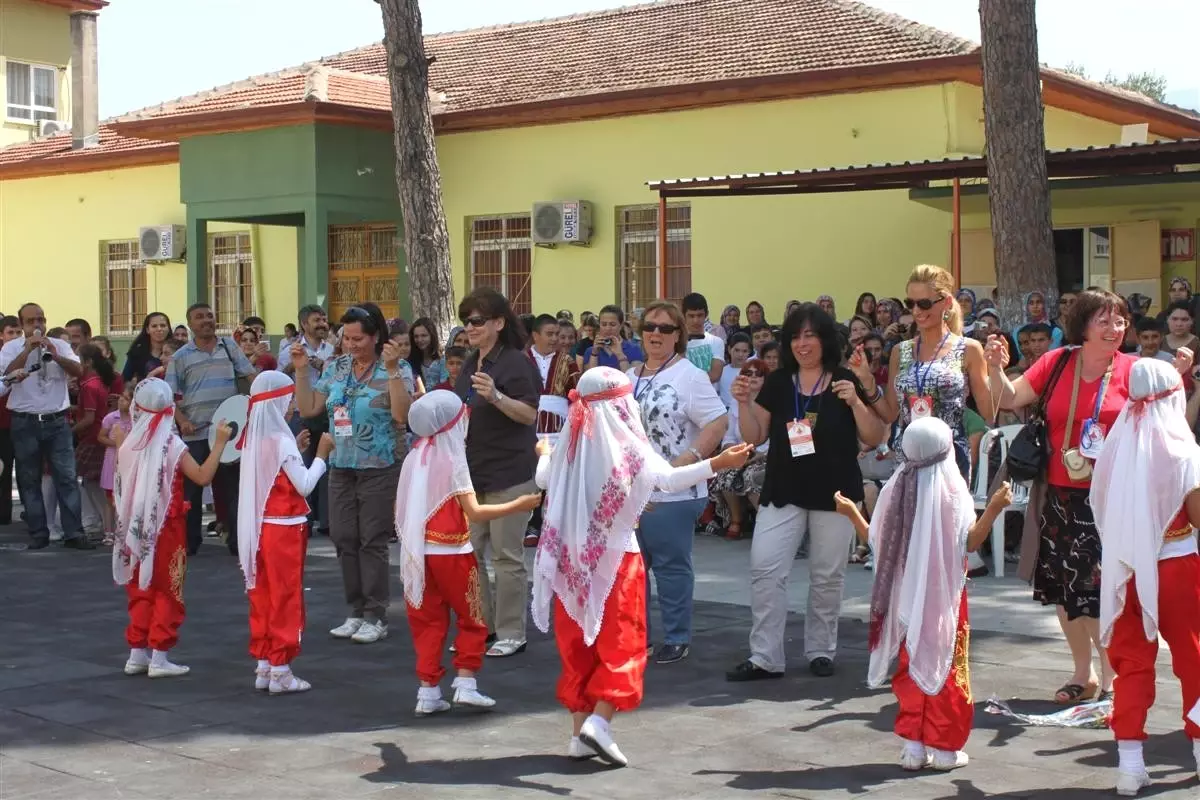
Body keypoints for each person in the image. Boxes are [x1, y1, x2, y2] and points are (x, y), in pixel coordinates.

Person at [532, 367, 752, 765]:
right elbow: (668, 480)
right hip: (617, 559)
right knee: (622, 643)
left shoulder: (569, 442)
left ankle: (579, 734)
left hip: (572, 561)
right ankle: (599, 723)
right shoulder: (628, 445)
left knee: (579, 646)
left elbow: (543, 477)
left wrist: (544, 453)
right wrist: (717, 463)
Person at [985, 290, 1193, 705]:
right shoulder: (1057, 361)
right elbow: (1007, 400)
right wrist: (994, 368)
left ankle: (1114, 674)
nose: (1115, 329)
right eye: (1104, 320)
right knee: (1064, 588)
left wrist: (1179, 380)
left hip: (1116, 497)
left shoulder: (1137, 369)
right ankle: (1084, 672)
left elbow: (1171, 426)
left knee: (1104, 589)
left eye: (1119, 321)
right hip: (1061, 492)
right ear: (1083, 325)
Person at [833, 417, 1013, 772]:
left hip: (904, 597)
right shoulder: (952, 489)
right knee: (946, 666)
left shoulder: (894, 487)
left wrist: (854, 513)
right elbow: (971, 542)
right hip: (945, 600)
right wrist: (994, 507)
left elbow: (877, 542)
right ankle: (945, 748)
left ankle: (914, 746)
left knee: (910, 663)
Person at [726, 303, 886, 681]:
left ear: (825, 339)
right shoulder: (780, 382)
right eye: (796, 336)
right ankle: (765, 656)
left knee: (828, 576)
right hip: (784, 487)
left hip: (836, 493)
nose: (802, 343)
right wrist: (743, 403)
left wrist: (856, 401)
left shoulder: (846, 378)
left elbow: (874, 435)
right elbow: (754, 436)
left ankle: (820, 650)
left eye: (810, 334)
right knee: (765, 568)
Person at [1090, 358, 1200, 796]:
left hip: (1124, 569)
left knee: (1131, 666)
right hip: (1176, 566)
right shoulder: (1184, 451)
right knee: (1194, 660)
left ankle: (1130, 766)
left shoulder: (1115, 448)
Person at [395, 391, 542, 715]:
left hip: (420, 553)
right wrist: (518, 504)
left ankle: (428, 690)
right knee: (473, 617)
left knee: (428, 622)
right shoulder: (453, 460)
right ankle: (465, 681)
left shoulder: (414, 457)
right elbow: (475, 512)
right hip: (453, 552)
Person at [293, 303, 413, 645]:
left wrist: (390, 371)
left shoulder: (398, 368)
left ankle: (376, 614)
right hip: (341, 465)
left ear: (376, 338)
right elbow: (309, 409)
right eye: (346, 337)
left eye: (358, 338)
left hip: (379, 465)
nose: (351, 344)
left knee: (372, 539)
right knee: (344, 538)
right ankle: (356, 610)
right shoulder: (336, 367)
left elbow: (402, 415)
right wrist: (302, 371)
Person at [629, 301, 728, 664]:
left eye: (665, 329)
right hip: (633, 493)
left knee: (671, 568)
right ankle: (637, 637)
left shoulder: (689, 375)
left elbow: (717, 422)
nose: (656, 334)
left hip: (675, 491)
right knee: (632, 570)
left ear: (678, 336)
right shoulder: (629, 376)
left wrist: (686, 461)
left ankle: (676, 637)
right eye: (650, 327)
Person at [113, 379, 231, 678]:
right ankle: (160, 655)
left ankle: (137, 652)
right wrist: (218, 444)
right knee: (168, 588)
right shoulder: (172, 444)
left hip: (136, 527)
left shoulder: (128, 441)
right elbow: (202, 476)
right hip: (167, 526)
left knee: (140, 585)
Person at [454, 288, 542, 658]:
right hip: (473, 473)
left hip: (511, 472)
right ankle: (481, 627)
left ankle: (510, 632)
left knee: (507, 556)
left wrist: (496, 397)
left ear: (498, 323)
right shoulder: (471, 362)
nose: (470, 328)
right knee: (468, 554)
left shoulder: (516, 363)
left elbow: (529, 414)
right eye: (467, 321)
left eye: (477, 320)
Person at [237, 371, 334, 695]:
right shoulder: (280, 441)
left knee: (263, 593)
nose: (292, 404)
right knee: (286, 595)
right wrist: (321, 456)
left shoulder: (256, 438)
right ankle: (281, 668)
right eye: (289, 397)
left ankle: (265, 663)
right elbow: (304, 484)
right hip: (284, 527)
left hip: (260, 526)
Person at [0, 303, 94, 550]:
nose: (37, 325)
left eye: (40, 319)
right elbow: (5, 375)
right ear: (21, 325)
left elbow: (79, 371)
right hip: (24, 421)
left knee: (67, 477)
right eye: (31, 321)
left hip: (56, 420)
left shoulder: (60, 345)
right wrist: (27, 350)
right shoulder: (11, 348)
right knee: (29, 479)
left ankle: (74, 533)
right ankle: (38, 533)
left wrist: (55, 352)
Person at [166, 303, 256, 556]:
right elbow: (169, 398)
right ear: (190, 324)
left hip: (229, 434)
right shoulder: (180, 357)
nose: (206, 320)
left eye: (209, 316)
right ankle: (189, 542)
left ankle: (238, 543)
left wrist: (266, 395)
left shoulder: (229, 347)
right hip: (196, 434)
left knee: (234, 490)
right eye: (199, 317)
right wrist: (182, 421)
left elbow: (251, 377)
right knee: (191, 493)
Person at [74, 343, 120, 541]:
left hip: (92, 438)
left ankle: (105, 522)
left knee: (92, 482)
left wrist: (70, 431)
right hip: (98, 436)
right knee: (94, 482)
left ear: (88, 362)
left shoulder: (89, 386)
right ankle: (105, 522)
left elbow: (89, 418)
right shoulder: (99, 382)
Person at [98, 386, 134, 545]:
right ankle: (108, 531)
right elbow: (101, 437)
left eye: (126, 398)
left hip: (129, 462)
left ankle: (125, 531)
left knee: (127, 497)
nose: (121, 400)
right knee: (110, 498)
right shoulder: (111, 418)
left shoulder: (136, 419)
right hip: (112, 460)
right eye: (121, 397)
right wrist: (116, 443)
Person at [579, 305, 642, 373]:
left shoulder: (634, 349)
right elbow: (590, 379)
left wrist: (620, 355)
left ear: (621, 325)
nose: (608, 328)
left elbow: (633, 380)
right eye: (604, 324)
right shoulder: (590, 351)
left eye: (612, 324)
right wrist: (594, 354)